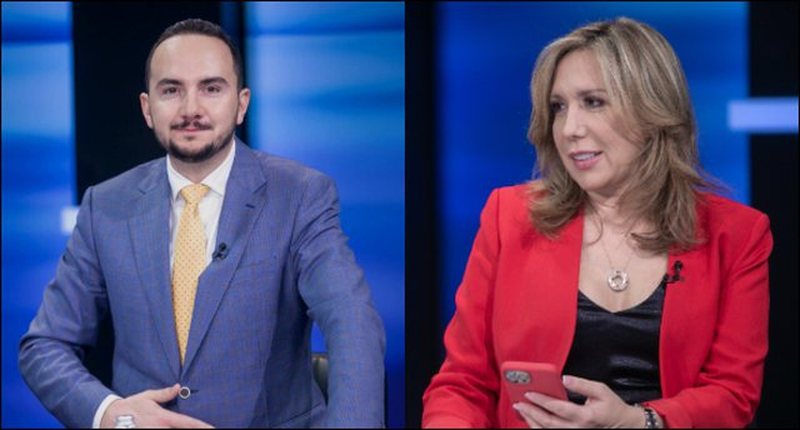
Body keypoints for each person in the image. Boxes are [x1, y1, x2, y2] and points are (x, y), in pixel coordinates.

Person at [19, 18, 385, 428]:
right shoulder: (104, 206)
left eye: (211, 88)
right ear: (147, 108)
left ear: (241, 104)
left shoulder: (300, 195)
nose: (190, 109)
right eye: (171, 90)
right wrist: (112, 415)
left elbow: (352, 322)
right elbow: (45, 345)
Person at [422, 17, 771, 428]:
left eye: (593, 102)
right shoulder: (509, 217)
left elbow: (732, 394)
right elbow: (462, 384)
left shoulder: (737, 235)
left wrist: (638, 421)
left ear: (652, 112)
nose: (570, 129)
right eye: (559, 107)